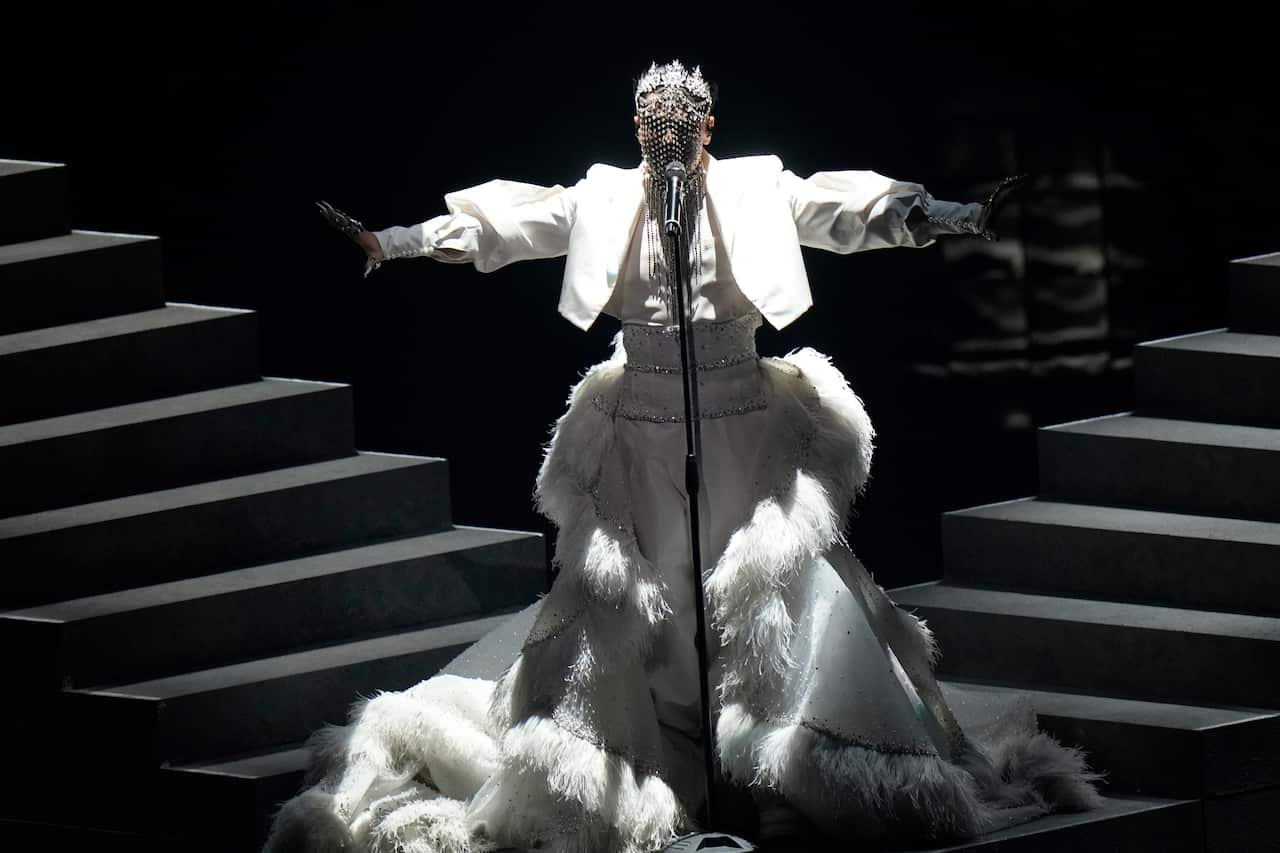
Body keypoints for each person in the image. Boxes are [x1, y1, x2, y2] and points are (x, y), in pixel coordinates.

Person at [268, 60, 1103, 853]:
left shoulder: (756, 188)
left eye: (682, 120)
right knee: (650, 605)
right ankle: (666, 774)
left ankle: (774, 777)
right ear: (637, 128)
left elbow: (849, 211)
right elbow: (504, 227)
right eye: (653, 122)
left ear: (708, 124)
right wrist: (395, 241)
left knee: (766, 596)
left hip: (743, 428)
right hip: (642, 435)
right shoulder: (603, 198)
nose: (667, 134)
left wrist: (954, 215)